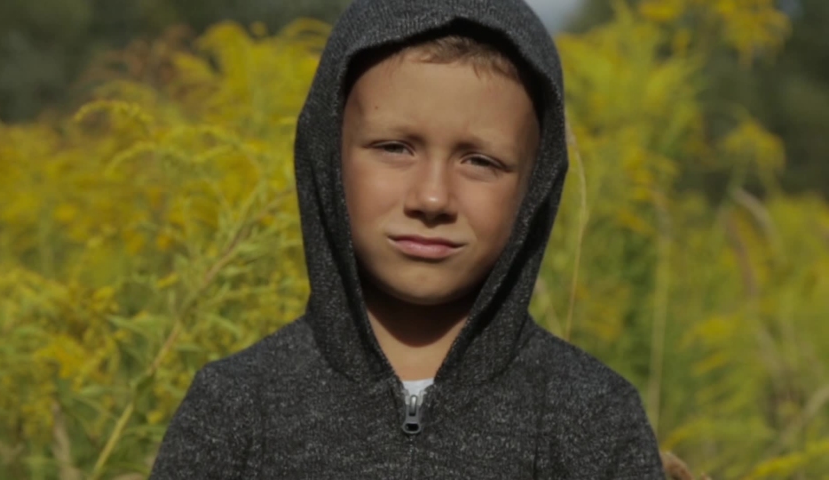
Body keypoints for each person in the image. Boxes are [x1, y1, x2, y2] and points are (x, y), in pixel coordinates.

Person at [150, 0, 665, 478]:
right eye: (395, 147)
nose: (433, 198)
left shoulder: (594, 417)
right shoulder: (236, 408)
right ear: (327, 159)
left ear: (535, 188)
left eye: (481, 161)